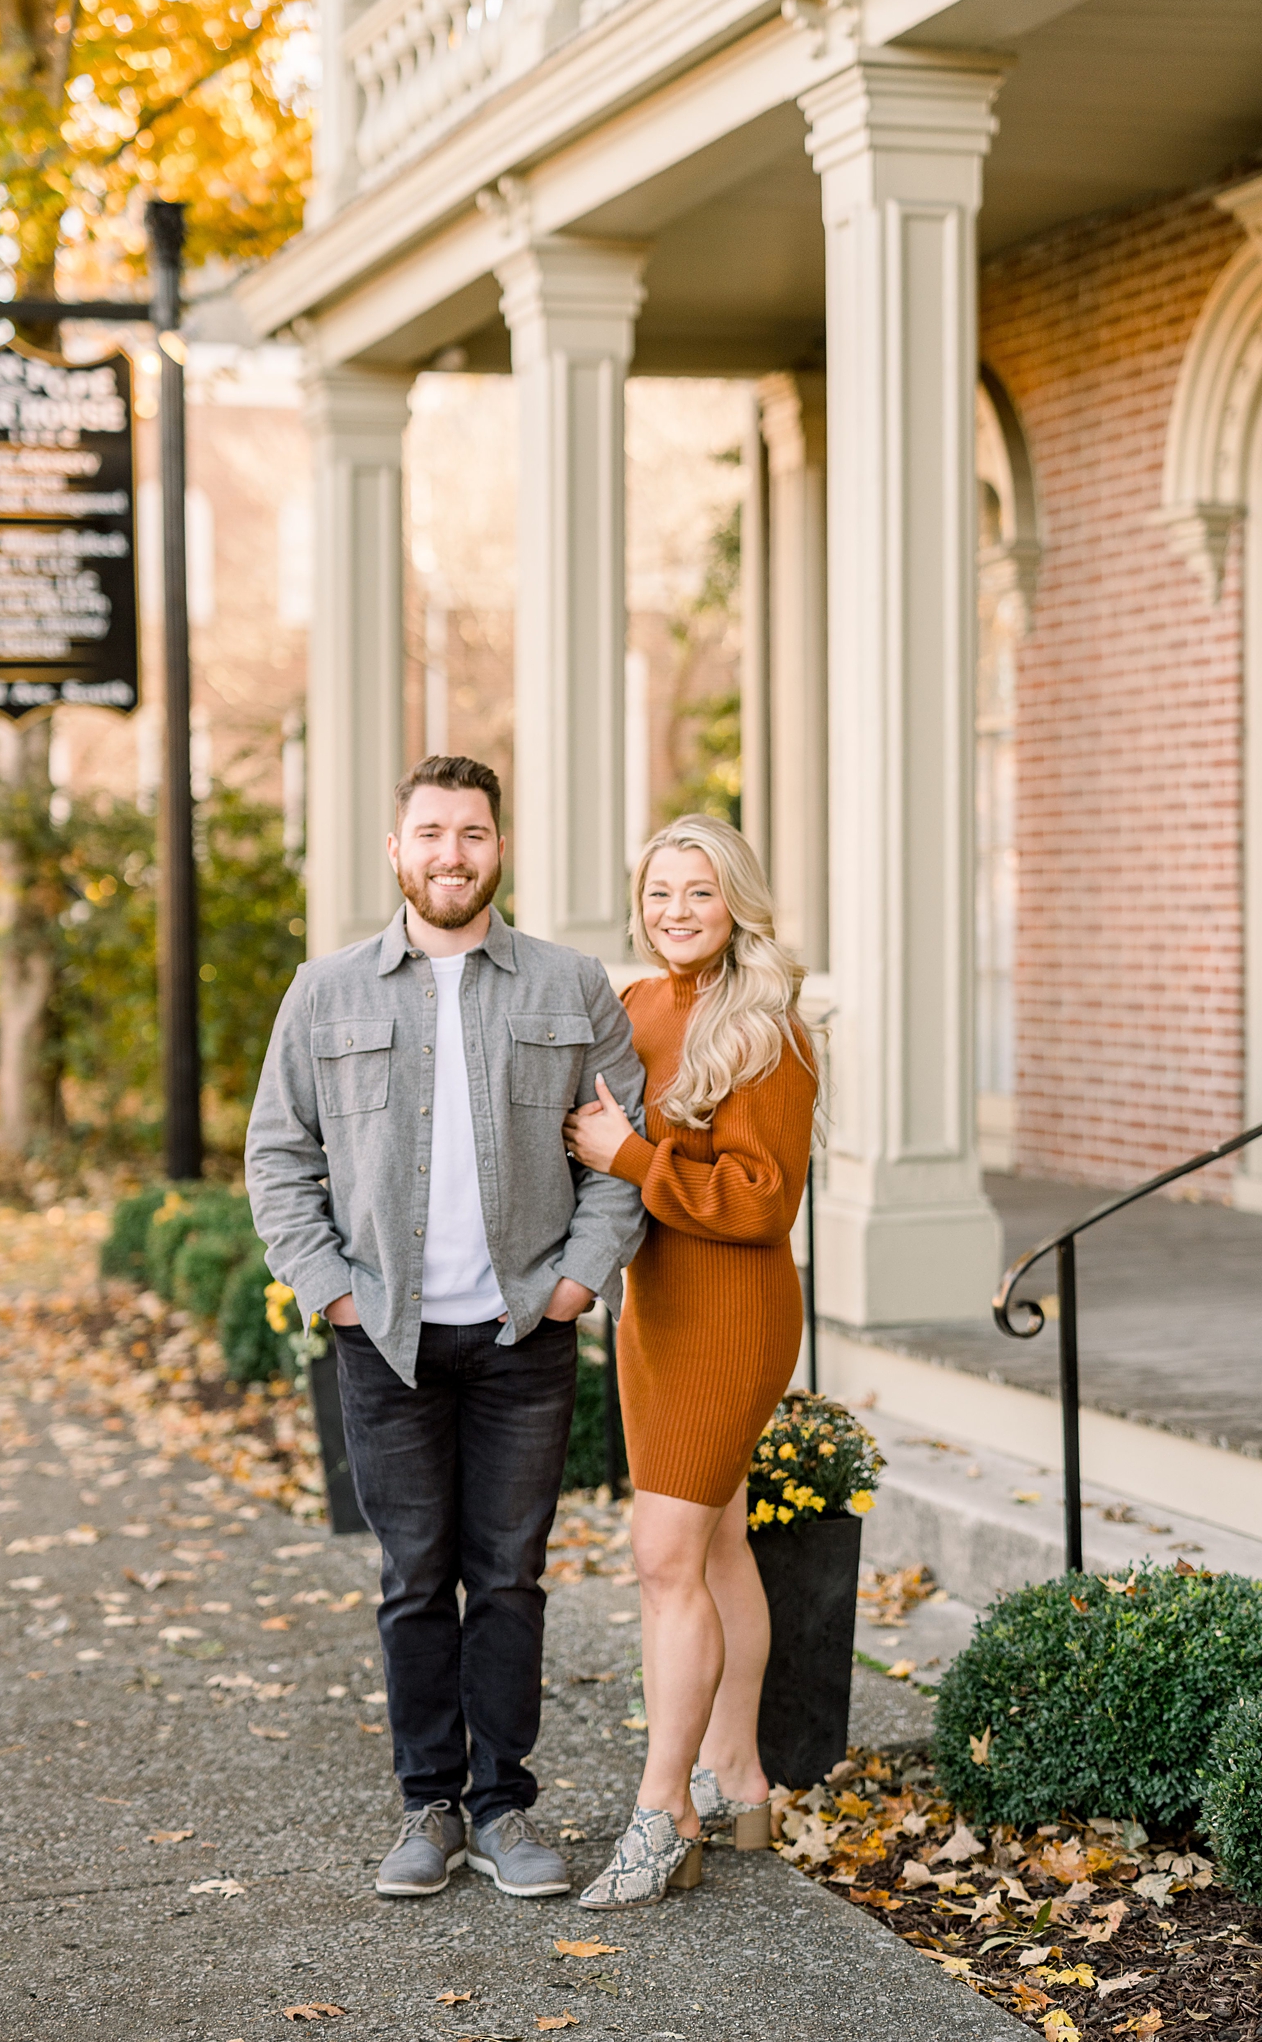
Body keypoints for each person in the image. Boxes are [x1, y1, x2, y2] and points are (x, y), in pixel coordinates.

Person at [246, 754, 647, 1902]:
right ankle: (427, 1800)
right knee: (414, 1576)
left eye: (470, 832)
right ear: (396, 849)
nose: (450, 854)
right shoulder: (325, 994)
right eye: (430, 832)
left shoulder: (569, 985)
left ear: (497, 848)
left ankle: (502, 1806)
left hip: (525, 1332)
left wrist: (575, 1282)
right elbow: (277, 1157)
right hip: (385, 1340)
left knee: (509, 1577)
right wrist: (328, 1288)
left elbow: (624, 1153)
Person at [562, 813, 817, 1909]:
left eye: (698, 893)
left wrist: (630, 1154)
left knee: (663, 1556)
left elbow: (761, 1203)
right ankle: (738, 1779)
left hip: (731, 1311)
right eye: (659, 891)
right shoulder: (633, 1005)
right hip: (652, 1309)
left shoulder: (770, 1031)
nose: (675, 912)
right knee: (712, 1549)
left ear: (736, 903)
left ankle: (662, 1809)